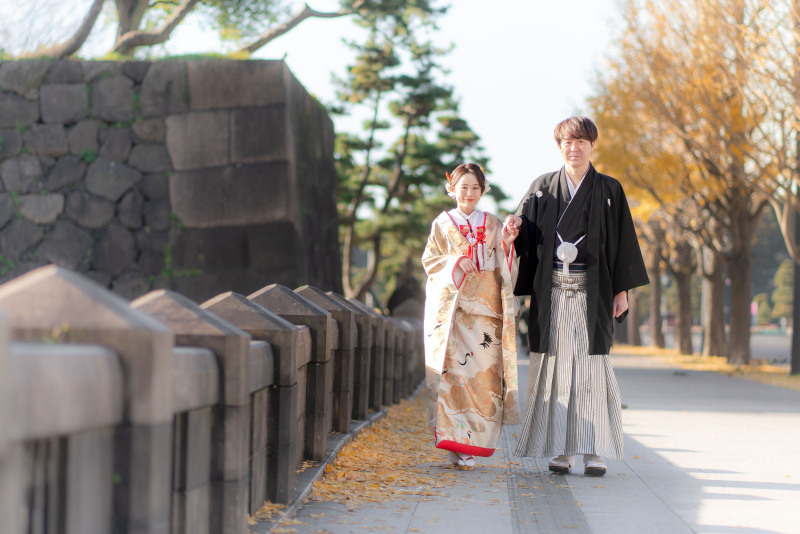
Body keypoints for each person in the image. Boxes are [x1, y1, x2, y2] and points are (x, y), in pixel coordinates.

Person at [504, 117, 649, 477]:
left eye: (582, 141)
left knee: (591, 370)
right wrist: (511, 230)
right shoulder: (542, 189)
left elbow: (622, 244)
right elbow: (522, 234)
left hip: (593, 291)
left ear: (592, 145)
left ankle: (594, 451)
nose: (575, 148)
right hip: (552, 290)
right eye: (568, 142)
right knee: (554, 370)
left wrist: (621, 291)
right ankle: (562, 451)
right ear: (559, 146)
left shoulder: (610, 190)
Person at [421, 163, 520, 470]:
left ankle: (471, 444)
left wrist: (506, 242)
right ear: (452, 189)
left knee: (482, 383)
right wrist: (455, 261)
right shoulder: (442, 223)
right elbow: (431, 259)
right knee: (455, 380)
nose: (469, 193)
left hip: (486, 315)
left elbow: (502, 260)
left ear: (482, 190)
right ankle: (456, 445)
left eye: (475, 188)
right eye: (463, 187)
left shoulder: (491, 221)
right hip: (454, 314)